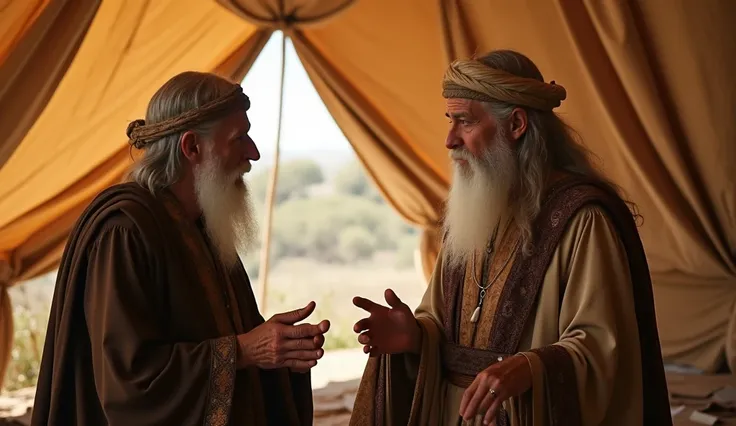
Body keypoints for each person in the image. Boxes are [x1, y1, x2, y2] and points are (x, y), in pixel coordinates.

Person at [349, 50, 672, 425]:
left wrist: (529, 368)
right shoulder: (473, 212)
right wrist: (416, 336)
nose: (450, 140)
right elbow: (442, 325)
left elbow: (604, 348)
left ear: (516, 124)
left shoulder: (582, 220)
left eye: (464, 122)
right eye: (450, 121)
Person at [31, 71, 329, 426]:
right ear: (191, 147)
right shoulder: (124, 231)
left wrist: (280, 352)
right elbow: (128, 383)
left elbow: (231, 346)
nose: (254, 153)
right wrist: (247, 350)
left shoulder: (202, 225)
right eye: (239, 138)